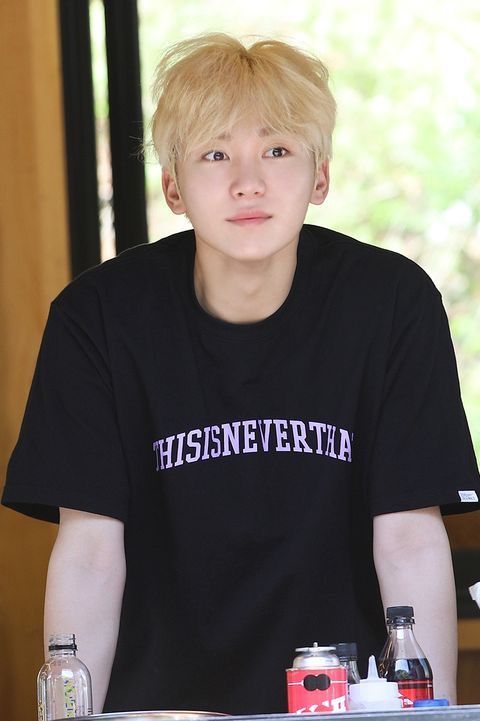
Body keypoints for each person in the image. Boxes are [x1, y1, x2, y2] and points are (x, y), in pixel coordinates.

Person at [2, 32, 480, 715]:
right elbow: (89, 553)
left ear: (320, 175)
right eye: (215, 153)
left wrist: (430, 714)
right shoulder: (98, 319)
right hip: (158, 704)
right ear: (173, 184)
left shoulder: (393, 305)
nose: (248, 180)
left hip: (345, 703)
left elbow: (408, 536)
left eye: (278, 149)